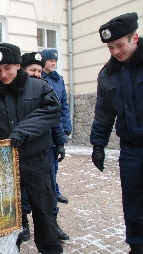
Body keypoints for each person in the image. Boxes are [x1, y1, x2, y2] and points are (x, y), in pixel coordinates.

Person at [0, 43, 63, 253]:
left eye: (7, 68)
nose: (3, 74)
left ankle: (50, 249)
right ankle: (10, 249)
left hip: (37, 161)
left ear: (17, 65)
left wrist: (23, 131)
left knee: (43, 211)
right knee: (9, 214)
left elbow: (52, 110)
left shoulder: (39, 87)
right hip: (6, 166)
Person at [90, 12, 143, 254]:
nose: (116, 52)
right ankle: (136, 245)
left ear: (135, 37)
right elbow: (103, 114)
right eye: (111, 47)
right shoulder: (107, 75)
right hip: (131, 149)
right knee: (132, 201)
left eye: (120, 45)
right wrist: (98, 145)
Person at [17, 52, 69, 242]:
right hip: (23, 151)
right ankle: (23, 222)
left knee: (48, 190)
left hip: (44, 149)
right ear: (22, 70)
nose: (37, 74)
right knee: (21, 190)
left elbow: (55, 117)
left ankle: (52, 223)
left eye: (39, 71)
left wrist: (60, 142)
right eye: (33, 70)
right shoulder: (16, 90)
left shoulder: (45, 89)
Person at [40, 48, 72, 204]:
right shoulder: (39, 77)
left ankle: (55, 190)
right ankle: (49, 192)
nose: (53, 63)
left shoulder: (58, 79)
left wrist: (67, 127)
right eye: (50, 60)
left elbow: (64, 105)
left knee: (54, 162)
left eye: (55, 61)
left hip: (57, 127)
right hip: (45, 127)